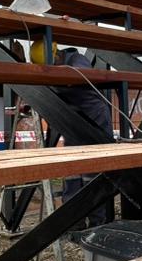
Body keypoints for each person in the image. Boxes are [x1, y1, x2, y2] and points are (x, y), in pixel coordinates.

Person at [30, 39, 111, 218]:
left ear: (57, 54)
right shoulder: (56, 65)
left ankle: (97, 218)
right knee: (73, 168)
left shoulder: (76, 60)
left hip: (93, 117)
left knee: (93, 168)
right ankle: (73, 218)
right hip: (72, 120)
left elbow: (82, 77)